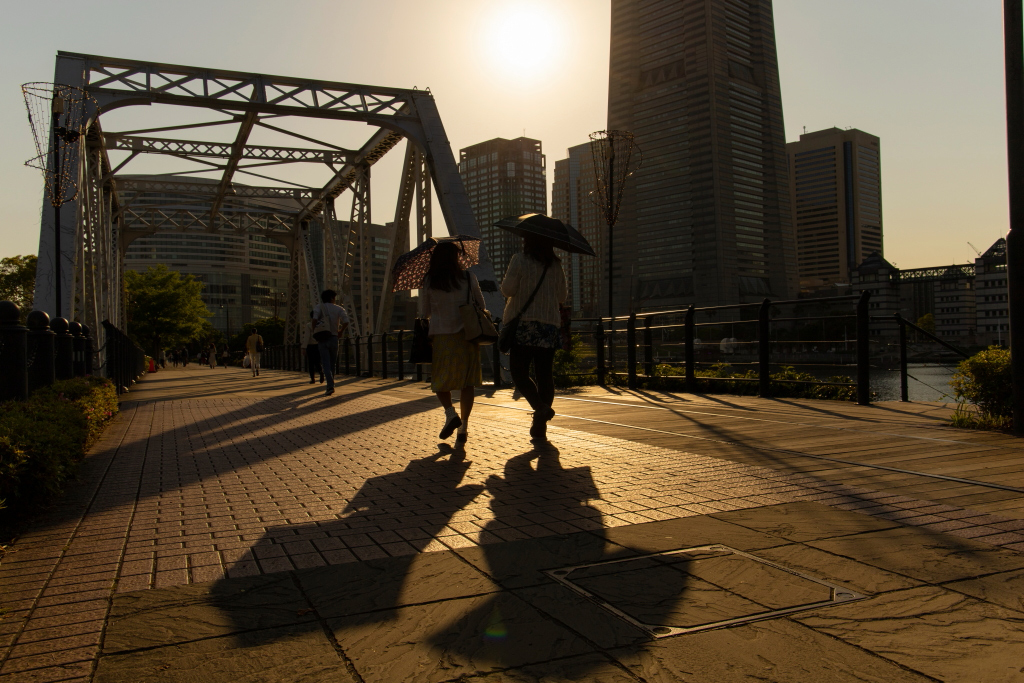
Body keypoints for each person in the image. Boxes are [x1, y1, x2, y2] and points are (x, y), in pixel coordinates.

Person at [500, 234, 567, 442]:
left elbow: (507, 289)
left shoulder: (519, 260)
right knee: (545, 374)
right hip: (549, 326)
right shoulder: (556, 265)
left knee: (519, 373)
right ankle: (540, 424)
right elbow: (562, 296)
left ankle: (540, 409)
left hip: (524, 325)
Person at [419, 241, 485, 445]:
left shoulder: (429, 280)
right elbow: (481, 305)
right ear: (456, 257)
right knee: (467, 383)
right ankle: (464, 427)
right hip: (467, 335)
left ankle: (450, 413)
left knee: (440, 381)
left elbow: (424, 312)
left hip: (441, 336)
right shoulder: (467, 277)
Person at [312, 290, 349, 396]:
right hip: (333, 337)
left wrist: (314, 331)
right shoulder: (339, 308)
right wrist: (340, 331)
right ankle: (331, 384)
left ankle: (330, 386)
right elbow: (346, 321)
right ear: (332, 298)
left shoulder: (319, 307)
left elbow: (314, 319)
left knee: (325, 363)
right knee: (333, 363)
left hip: (322, 338)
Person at [302, 310, 324, 385]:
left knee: (311, 363)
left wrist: (304, 347)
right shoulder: (321, 324)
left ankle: (312, 379)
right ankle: (321, 372)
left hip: (310, 346)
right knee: (318, 361)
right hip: (319, 344)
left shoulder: (309, 325)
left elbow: (307, 337)